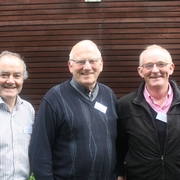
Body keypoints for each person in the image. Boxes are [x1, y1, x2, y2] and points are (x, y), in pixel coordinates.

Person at [29, 40, 118, 180]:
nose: (87, 67)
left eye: (92, 61)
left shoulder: (109, 95)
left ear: (101, 64)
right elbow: (40, 151)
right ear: (70, 66)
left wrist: (117, 173)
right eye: (81, 61)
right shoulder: (54, 99)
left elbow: (116, 141)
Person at [116, 44, 180, 180]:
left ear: (171, 68)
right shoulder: (125, 105)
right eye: (149, 65)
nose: (155, 70)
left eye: (161, 64)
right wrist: (120, 174)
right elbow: (120, 147)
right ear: (140, 71)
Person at [0, 51, 35, 179]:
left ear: (23, 78)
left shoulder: (28, 110)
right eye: (4, 75)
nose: (10, 81)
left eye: (16, 75)